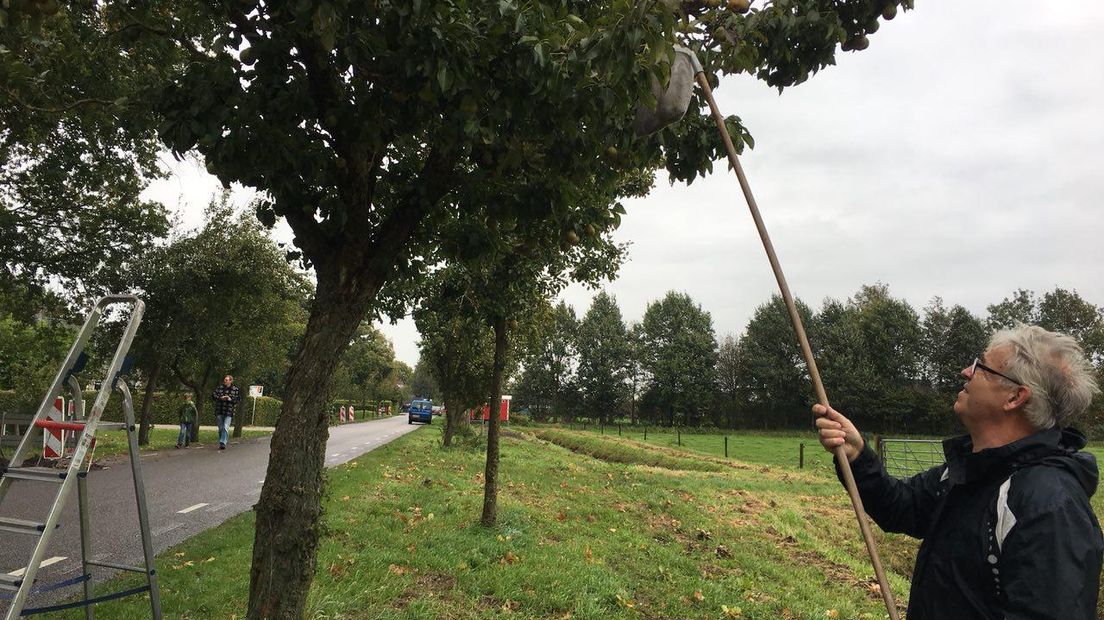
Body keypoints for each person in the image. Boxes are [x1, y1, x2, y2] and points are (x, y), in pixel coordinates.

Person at [814, 324, 1102, 618]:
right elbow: (901, 506)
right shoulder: (971, 471)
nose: (966, 371)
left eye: (982, 367)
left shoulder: (1049, 506)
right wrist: (857, 454)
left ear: (1015, 397)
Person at [211, 374, 241, 451]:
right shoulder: (219, 388)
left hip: (229, 411)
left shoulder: (235, 389)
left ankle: (223, 443)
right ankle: (222, 441)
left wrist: (230, 399)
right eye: (225, 380)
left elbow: (238, 399)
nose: (225, 381)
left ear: (231, 381)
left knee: (225, 427)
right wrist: (220, 397)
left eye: (227, 380)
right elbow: (213, 395)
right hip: (219, 411)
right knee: (221, 428)